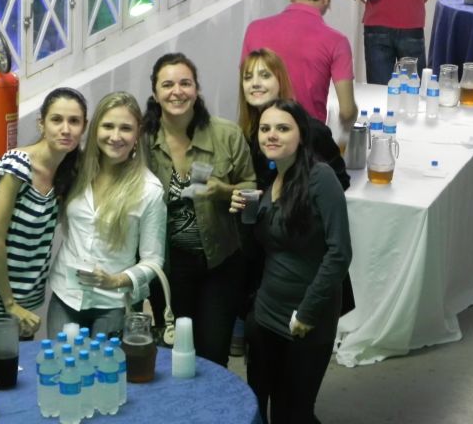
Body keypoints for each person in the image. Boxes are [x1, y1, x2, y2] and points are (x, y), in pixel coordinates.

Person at [230, 99, 352, 424]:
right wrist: (244, 219)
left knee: (293, 414)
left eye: (283, 128)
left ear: (301, 135)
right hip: (265, 315)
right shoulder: (271, 182)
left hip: (305, 321)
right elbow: (256, 253)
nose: (272, 135)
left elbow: (340, 252)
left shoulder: (321, 178)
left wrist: (308, 312)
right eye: (265, 129)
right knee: (257, 407)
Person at [0, 87, 88, 347]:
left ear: (84, 127)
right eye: (56, 120)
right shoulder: (17, 165)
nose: (65, 129)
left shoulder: (68, 171)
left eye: (74, 121)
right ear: (41, 124)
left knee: (16, 371)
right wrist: (11, 305)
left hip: (22, 303)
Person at [142, 52, 256, 367]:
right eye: (167, 85)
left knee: (213, 353)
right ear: (155, 94)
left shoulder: (226, 134)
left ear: (196, 89)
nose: (177, 91)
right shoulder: (142, 141)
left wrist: (225, 191)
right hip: (168, 266)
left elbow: (251, 187)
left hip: (219, 261)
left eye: (185, 83)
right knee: (172, 352)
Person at [238, 48, 354, 319]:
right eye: (248, 77)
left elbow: (339, 181)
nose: (255, 83)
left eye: (264, 75)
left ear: (280, 80)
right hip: (269, 262)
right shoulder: (249, 135)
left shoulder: (311, 131)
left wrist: (294, 200)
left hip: (306, 259)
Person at [47, 91, 167, 338]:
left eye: (125, 128)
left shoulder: (149, 189)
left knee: (104, 364)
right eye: (108, 126)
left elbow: (154, 261)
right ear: (95, 129)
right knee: (60, 360)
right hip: (65, 295)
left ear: (138, 133)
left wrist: (116, 280)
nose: (115, 136)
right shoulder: (75, 170)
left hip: (114, 303)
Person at [241, 0, 358, 144]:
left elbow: (246, 88)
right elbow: (347, 110)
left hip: (260, 136)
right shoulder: (336, 41)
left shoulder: (254, 29)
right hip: (307, 141)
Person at [334, 0, 435, 85]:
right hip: (412, 23)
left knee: (379, 93)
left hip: (376, 24)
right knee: (414, 92)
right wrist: (409, 6)